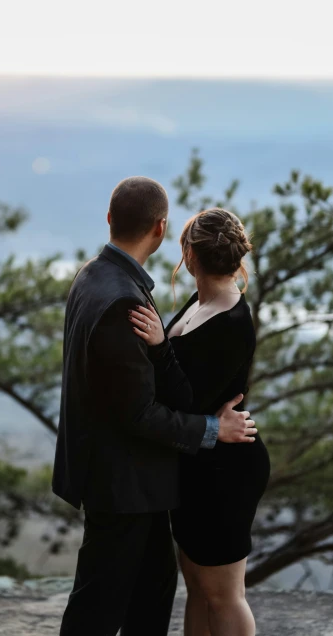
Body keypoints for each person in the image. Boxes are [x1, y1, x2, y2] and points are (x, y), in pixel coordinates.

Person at [52, 177, 258, 636]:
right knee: (100, 605)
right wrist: (211, 429)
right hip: (122, 481)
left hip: (134, 478)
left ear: (110, 219)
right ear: (161, 229)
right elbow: (138, 412)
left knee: (154, 589)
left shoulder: (95, 275)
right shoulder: (122, 297)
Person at [130, 207, 270, 636]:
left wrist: (158, 346)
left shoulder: (231, 322)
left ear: (190, 255)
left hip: (226, 471)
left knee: (224, 596)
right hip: (199, 464)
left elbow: (189, 401)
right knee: (197, 587)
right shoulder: (203, 301)